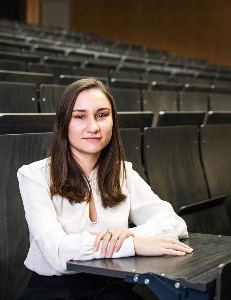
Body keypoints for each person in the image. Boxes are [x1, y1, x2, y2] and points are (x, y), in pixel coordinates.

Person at [17, 78, 193, 300]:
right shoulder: (34, 175)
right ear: (64, 123)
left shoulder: (124, 172)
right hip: (52, 290)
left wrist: (129, 233)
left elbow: (175, 224)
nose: (93, 127)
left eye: (102, 115)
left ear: (113, 121)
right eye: (80, 116)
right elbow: (57, 252)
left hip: (112, 287)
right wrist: (134, 245)